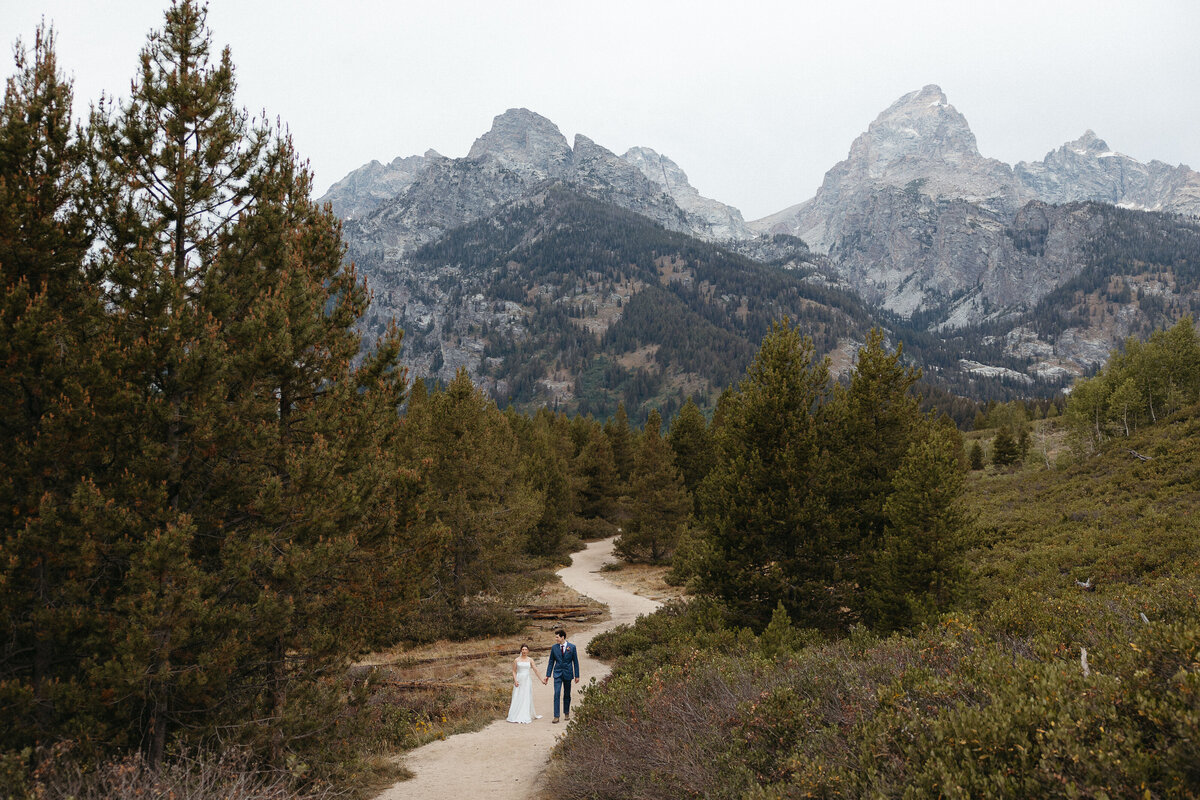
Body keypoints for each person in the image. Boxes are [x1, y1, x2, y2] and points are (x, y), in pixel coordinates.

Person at [545, 628, 580, 723]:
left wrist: (577, 675)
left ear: (562, 637)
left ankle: (566, 713)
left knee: (567, 694)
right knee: (556, 693)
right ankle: (556, 716)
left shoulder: (572, 647)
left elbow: (575, 662)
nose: (556, 639)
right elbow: (551, 662)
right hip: (557, 673)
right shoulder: (554, 648)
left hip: (568, 673)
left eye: (557, 637)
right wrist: (548, 675)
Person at [506, 644, 542, 723]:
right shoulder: (516, 660)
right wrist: (515, 680)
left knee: (526, 696)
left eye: (526, 649)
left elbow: (535, 670)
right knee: (517, 695)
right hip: (519, 679)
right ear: (521, 650)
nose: (524, 651)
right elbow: (514, 671)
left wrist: (542, 680)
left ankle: (525, 714)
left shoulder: (530, 660)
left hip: (527, 680)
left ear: (528, 651)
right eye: (523, 649)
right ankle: (515, 714)